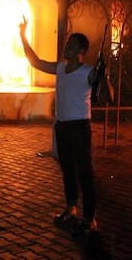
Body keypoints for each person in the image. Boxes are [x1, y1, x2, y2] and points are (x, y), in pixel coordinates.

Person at [19, 17, 98, 238]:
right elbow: (35, 61)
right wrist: (22, 34)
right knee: (67, 171)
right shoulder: (61, 68)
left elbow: (108, 94)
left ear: (81, 50)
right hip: (62, 127)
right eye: (67, 43)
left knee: (85, 173)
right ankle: (71, 209)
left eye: (71, 45)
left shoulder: (88, 72)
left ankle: (90, 218)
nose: (67, 47)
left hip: (80, 128)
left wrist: (103, 77)